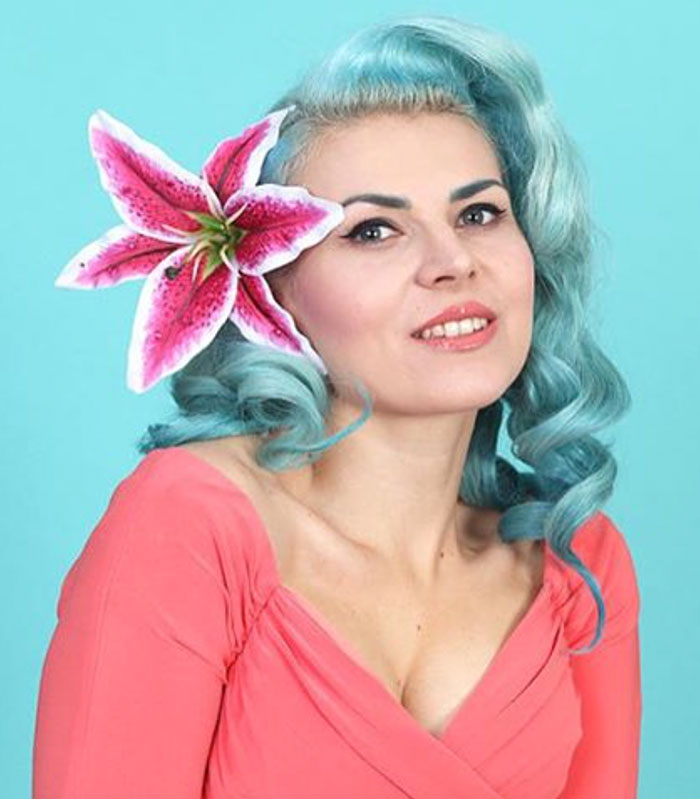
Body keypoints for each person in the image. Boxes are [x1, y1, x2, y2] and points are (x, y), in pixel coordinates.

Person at [32, 13, 642, 799]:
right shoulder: (191, 526)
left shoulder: (575, 556)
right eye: (375, 230)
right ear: (274, 289)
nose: (452, 262)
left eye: (479, 214)